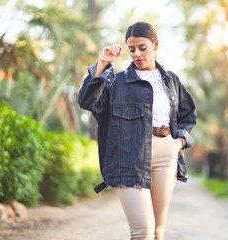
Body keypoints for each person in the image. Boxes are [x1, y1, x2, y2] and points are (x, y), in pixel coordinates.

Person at [78, 21, 197, 240]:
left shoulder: (170, 80)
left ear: (155, 45)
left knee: (157, 232)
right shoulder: (117, 82)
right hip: (129, 158)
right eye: (131, 49)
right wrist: (102, 62)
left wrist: (178, 142)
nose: (137, 54)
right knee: (142, 231)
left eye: (142, 47)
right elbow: (86, 100)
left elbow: (188, 116)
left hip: (166, 155)